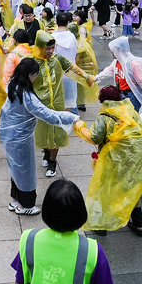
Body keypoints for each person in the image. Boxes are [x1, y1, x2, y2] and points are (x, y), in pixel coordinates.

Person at [0, 59, 80, 214]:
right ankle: (25, 206)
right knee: (25, 171)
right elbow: (46, 114)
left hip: (7, 134)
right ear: (31, 74)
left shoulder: (13, 83)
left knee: (15, 168)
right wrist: (71, 117)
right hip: (20, 138)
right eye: (36, 74)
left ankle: (14, 201)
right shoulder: (27, 95)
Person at [73, 86, 142, 236]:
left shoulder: (105, 116)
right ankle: (139, 225)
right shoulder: (131, 111)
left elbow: (94, 137)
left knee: (104, 188)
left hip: (117, 158)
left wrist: (79, 126)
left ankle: (101, 227)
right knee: (131, 188)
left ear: (103, 101)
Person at [12, 179, 114, 284]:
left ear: (47, 211)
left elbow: (19, 280)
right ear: (80, 213)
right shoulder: (92, 251)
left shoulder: (29, 239)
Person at [31, 31, 97, 178]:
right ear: (40, 47)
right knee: (43, 132)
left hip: (57, 103)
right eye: (47, 48)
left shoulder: (57, 59)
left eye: (52, 48)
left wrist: (86, 76)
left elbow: (72, 67)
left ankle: (53, 161)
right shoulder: (32, 62)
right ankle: (47, 152)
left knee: (56, 133)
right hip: (40, 105)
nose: (50, 51)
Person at [94, 37, 142, 113]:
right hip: (121, 94)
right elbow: (108, 71)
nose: (112, 54)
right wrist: (96, 78)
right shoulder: (117, 61)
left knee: (131, 118)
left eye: (113, 51)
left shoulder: (133, 63)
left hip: (131, 96)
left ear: (119, 51)